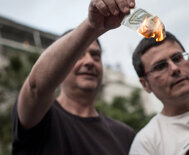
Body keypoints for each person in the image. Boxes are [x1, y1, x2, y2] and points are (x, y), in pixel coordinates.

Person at [12, 0, 136, 154]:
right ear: (62, 64)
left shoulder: (125, 135)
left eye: (96, 55)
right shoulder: (41, 116)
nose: (89, 62)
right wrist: (92, 26)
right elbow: (36, 87)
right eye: (79, 55)